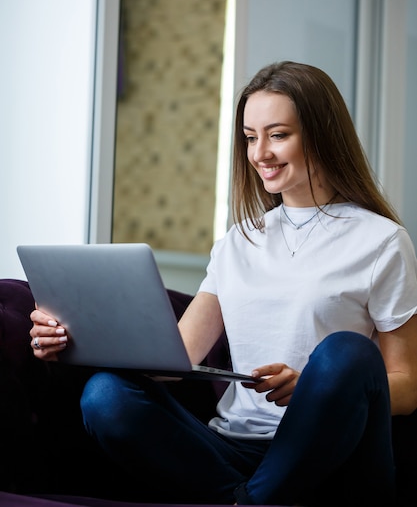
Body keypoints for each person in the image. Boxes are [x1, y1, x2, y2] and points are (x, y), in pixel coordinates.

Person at [29, 61, 417, 507]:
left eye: (277, 134)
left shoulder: (382, 240)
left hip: (330, 456)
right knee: (106, 395)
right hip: (230, 451)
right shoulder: (238, 242)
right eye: (251, 137)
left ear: (321, 132)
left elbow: (405, 385)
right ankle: (249, 500)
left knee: (345, 352)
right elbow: (173, 359)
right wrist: (70, 336)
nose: (259, 154)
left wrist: (316, 387)